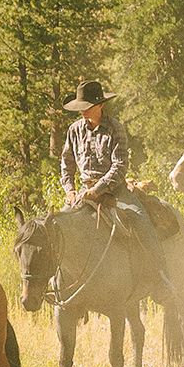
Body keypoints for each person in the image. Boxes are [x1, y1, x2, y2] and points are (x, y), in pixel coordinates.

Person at [58, 81, 159, 276]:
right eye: (81, 108)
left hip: (116, 191)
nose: (83, 112)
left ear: (100, 105)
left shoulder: (115, 128)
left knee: (141, 220)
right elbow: (66, 164)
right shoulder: (74, 130)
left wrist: (97, 190)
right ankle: (60, 283)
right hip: (83, 192)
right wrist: (70, 190)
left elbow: (119, 166)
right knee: (58, 228)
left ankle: (160, 277)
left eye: (87, 107)